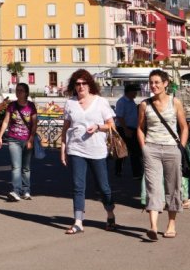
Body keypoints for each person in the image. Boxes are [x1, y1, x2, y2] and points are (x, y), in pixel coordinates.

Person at [60, 69, 117, 234]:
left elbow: (111, 126)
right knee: (78, 186)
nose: (80, 87)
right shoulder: (70, 103)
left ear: (89, 84)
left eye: (84, 83)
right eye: (77, 84)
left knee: (103, 187)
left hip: (97, 150)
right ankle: (78, 221)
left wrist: (99, 127)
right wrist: (63, 149)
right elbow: (66, 128)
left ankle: (110, 213)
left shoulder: (100, 102)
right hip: (76, 149)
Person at [137, 69, 189, 240]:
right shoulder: (145, 104)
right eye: (151, 82)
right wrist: (144, 147)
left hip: (171, 149)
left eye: (157, 82)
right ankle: (153, 226)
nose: (153, 85)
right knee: (153, 187)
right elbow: (140, 128)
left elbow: (184, 127)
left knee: (173, 187)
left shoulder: (175, 103)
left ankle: (171, 223)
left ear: (166, 83)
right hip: (151, 149)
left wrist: (180, 148)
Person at [0, 82, 38, 201]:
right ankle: (16, 191)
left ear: (26, 93)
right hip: (13, 139)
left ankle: (26, 191)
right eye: (17, 90)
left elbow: (34, 124)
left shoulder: (31, 106)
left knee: (26, 167)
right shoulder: (12, 106)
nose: (18, 92)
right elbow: (5, 121)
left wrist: (31, 139)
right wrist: (0, 136)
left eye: (21, 91)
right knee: (16, 166)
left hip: (27, 139)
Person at [114, 83, 142, 179]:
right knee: (127, 151)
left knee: (132, 151)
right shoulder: (122, 102)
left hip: (132, 128)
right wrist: (125, 129)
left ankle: (133, 172)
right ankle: (135, 173)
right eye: (134, 91)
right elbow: (119, 116)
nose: (136, 93)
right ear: (129, 92)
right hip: (124, 128)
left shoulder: (132, 101)